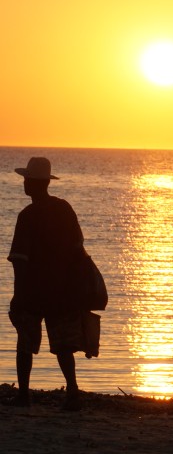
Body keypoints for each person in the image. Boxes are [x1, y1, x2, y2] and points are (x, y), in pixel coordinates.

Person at [5, 157, 88, 411]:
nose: (24, 184)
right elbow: (78, 250)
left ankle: (24, 395)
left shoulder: (28, 216)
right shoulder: (64, 209)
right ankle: (72, 393)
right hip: (62, 291)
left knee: (25, 345)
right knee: (64, 347)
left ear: (31, 183)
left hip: (33, 291)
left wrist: (17, 297)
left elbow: (19, 260)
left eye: (26, 180)